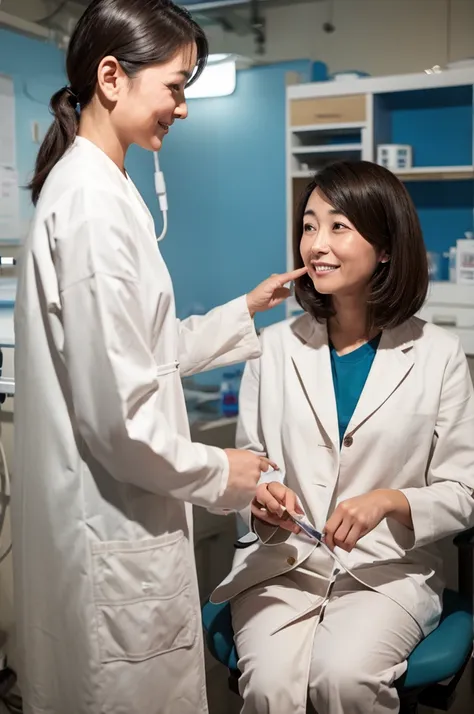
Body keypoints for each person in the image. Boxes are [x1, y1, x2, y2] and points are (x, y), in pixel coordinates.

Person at [11, 2, 306, 713]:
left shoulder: (99, 190)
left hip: (108, 539)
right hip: (111, 544)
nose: (182, 107)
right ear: (112, 77)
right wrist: (224, 474)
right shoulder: (91, 206)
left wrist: (245, 310)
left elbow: (144, 353)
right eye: (176, 86)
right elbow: (121, 420)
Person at [211, 160, 474, 714]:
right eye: (309, 225)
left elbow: (464, 490)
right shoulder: (274, 347)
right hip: (284, 565)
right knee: (268, 688)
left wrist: (391, 500)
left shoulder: (439, 355)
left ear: (384, 248)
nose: (316, 244)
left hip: (387, 572)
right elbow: (252, 468)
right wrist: (261, 504)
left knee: (345, 679)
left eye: (339, 226)